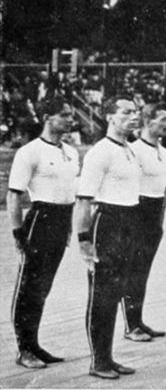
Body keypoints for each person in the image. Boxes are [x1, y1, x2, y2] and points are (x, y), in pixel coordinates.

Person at [8, 98, 79, 369]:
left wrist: (70, 226)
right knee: (29, 287)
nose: (70, 120)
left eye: (71, 115)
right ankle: (23, 348)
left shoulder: (71, 152)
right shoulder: (29, 152)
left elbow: (70, 191)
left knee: (43, 287)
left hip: (61, 221)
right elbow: (14, 195)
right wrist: (17, 233)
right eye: (65, 115)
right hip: (40, 220)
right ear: (48, 117)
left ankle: (34, 343)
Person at [73, 97, 141, 379]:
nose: (134, 117)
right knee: (101, 293)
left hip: (128, 220)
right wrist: (84, 240)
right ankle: (98, 361)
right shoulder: (100, 152)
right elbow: (83, 201)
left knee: (115, 293)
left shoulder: (128, 149)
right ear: (110, 117)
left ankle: (108, 357)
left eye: (135, 112)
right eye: (126, 113)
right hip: (108, 223)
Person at [120, 104, 166, 341]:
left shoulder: (165, 152)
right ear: (148, 122)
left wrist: (159, 219)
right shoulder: (134, 150)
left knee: (144, 270)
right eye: (163, 119)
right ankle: (131, 326)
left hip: (155, 213)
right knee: (133, 270)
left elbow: (164, 188)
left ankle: (138, 320)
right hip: (137, 212)